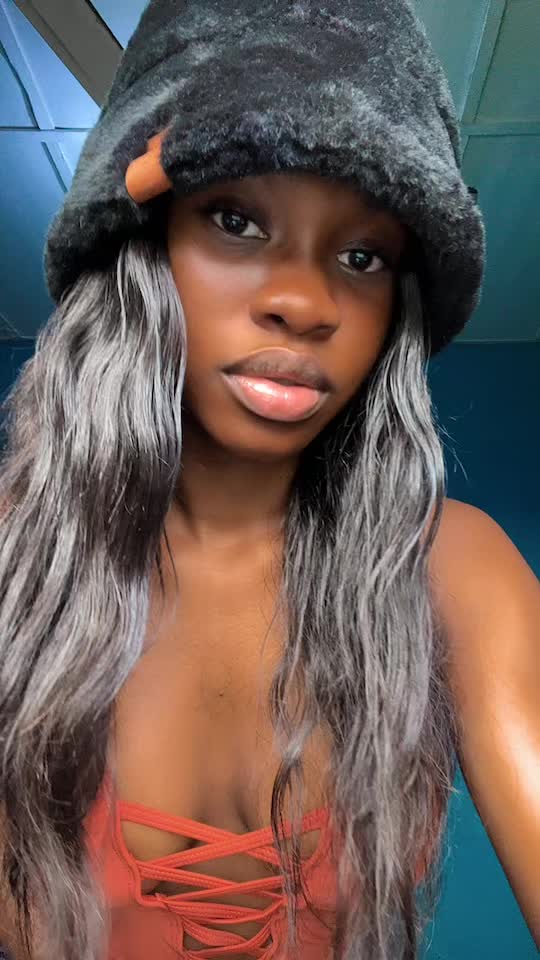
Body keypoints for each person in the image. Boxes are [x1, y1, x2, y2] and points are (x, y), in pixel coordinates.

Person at [0, 1, 538, 959]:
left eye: (362, 256)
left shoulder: (455, 570)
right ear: (142, 249)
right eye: (236, 220)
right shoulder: (11, 561)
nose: (305, 300)